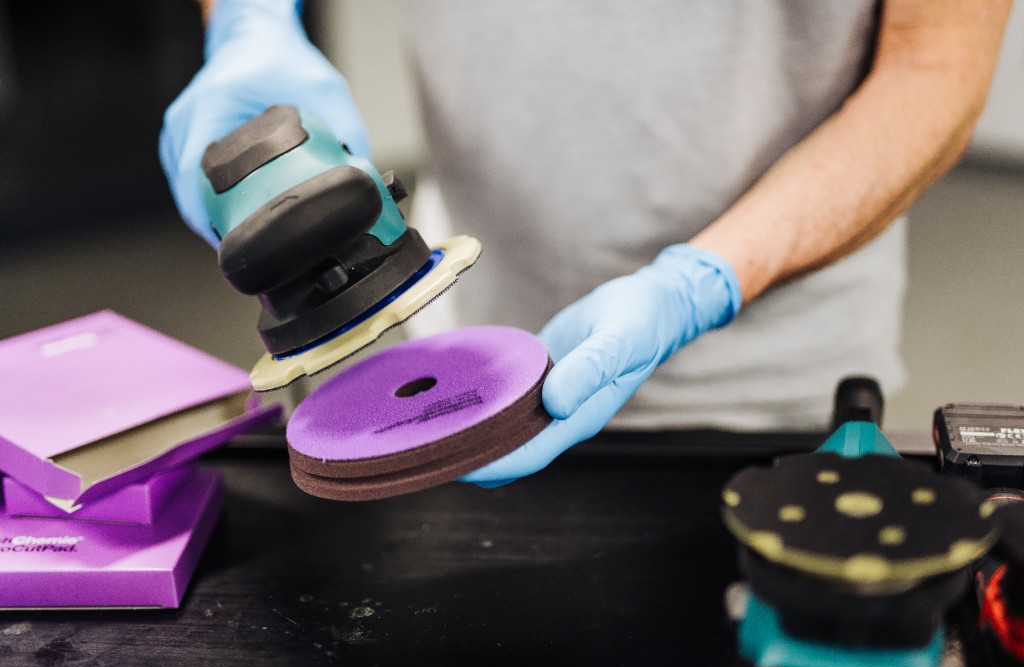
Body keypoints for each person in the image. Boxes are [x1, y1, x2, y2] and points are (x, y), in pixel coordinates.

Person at [160, 0, 1012, 486]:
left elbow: (934, 69)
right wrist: (249, 21)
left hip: (770, 380)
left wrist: (701, 283)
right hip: (475, 345)